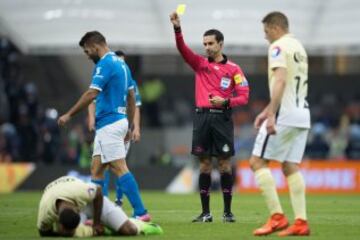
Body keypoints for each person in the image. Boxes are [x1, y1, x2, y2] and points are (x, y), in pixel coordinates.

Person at [58, 31, 148, 222]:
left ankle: (141, 212)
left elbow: (91, 94)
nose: (87, 55)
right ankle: (96, 214)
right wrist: (129, 124)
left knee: (119, 168)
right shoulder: (122, 64)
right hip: (116, 122)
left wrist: (69, 114)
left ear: (94, 46)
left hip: (109, 124)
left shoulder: (105, 64)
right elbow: (132, 98)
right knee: (96, 170)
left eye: (86, 51)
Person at [169, 12, 250, 223]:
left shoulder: (234, 70)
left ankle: (227, 212)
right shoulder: (200, 64)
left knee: (224, 165)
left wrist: (226, 102)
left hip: (222, 118)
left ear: (220, 44)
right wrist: (177, 29)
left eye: (210, 43)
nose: (206, 47)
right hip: (202, 118)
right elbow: (182, 49)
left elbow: (244, 96)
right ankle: (206, 213)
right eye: (204, 43)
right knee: (204, 165)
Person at [249, 12, 310, 236]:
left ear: (275, 28)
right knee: (289, 166)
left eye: (266, 32)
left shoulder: (278, 47)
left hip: (284, 115)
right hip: (302, 114)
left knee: (257, 161)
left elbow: (281, 79)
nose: (266, 37)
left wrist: (272, 114)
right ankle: (301, 222)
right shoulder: (299, 48)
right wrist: (267, 110)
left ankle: (277, 217)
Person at [87, 49, 150, 221]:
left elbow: (134, 104)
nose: (119, 64)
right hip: (106, 125)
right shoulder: (107, 76)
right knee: (98, 168)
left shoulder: (129, 80)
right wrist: (91, 118)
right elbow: (93, 101)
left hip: (114, 124)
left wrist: (134, 127)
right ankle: (100, 210)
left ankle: (137, 210)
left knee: (118, 166)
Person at [36, 176, 163, 237]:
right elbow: (44, 233)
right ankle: (92, 228)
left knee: (129, 231)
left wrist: (96, 223)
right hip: (67, 199)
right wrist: (61, 234)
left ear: (76, 210)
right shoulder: (45, 212)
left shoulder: (79, 191)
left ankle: (139, 223)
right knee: (74, 234)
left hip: (90, 200)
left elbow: (98, 192)